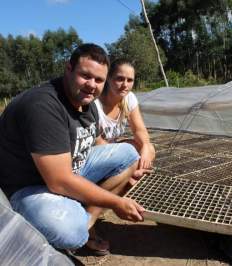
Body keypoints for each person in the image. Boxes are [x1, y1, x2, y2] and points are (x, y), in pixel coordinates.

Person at [0, 43, 144, 255]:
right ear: (68, 69)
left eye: (99, 80)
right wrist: (116, 202)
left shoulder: (87, 102)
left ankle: (88, 216)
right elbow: (59, 181)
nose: (92, 85)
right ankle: (77, 219)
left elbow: (96, 143)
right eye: (85, 76)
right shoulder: (43, 106)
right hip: (29, 186)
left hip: (71, 169)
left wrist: (127, 168)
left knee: (129, 155)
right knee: (73, 234)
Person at [94, 58, 155, 177]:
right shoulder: (95, 104)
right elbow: (97, 143)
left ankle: (132, 175)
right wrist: (126, 157)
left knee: (148, 148)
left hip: (114, 148)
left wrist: (146, 146)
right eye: (120, 79)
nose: (125, 85)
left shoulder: (129, 98)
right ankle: (130, 176)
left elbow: (139, 129)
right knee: (131, 155)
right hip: (96, 153)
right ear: (109, 78)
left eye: (130, 80)